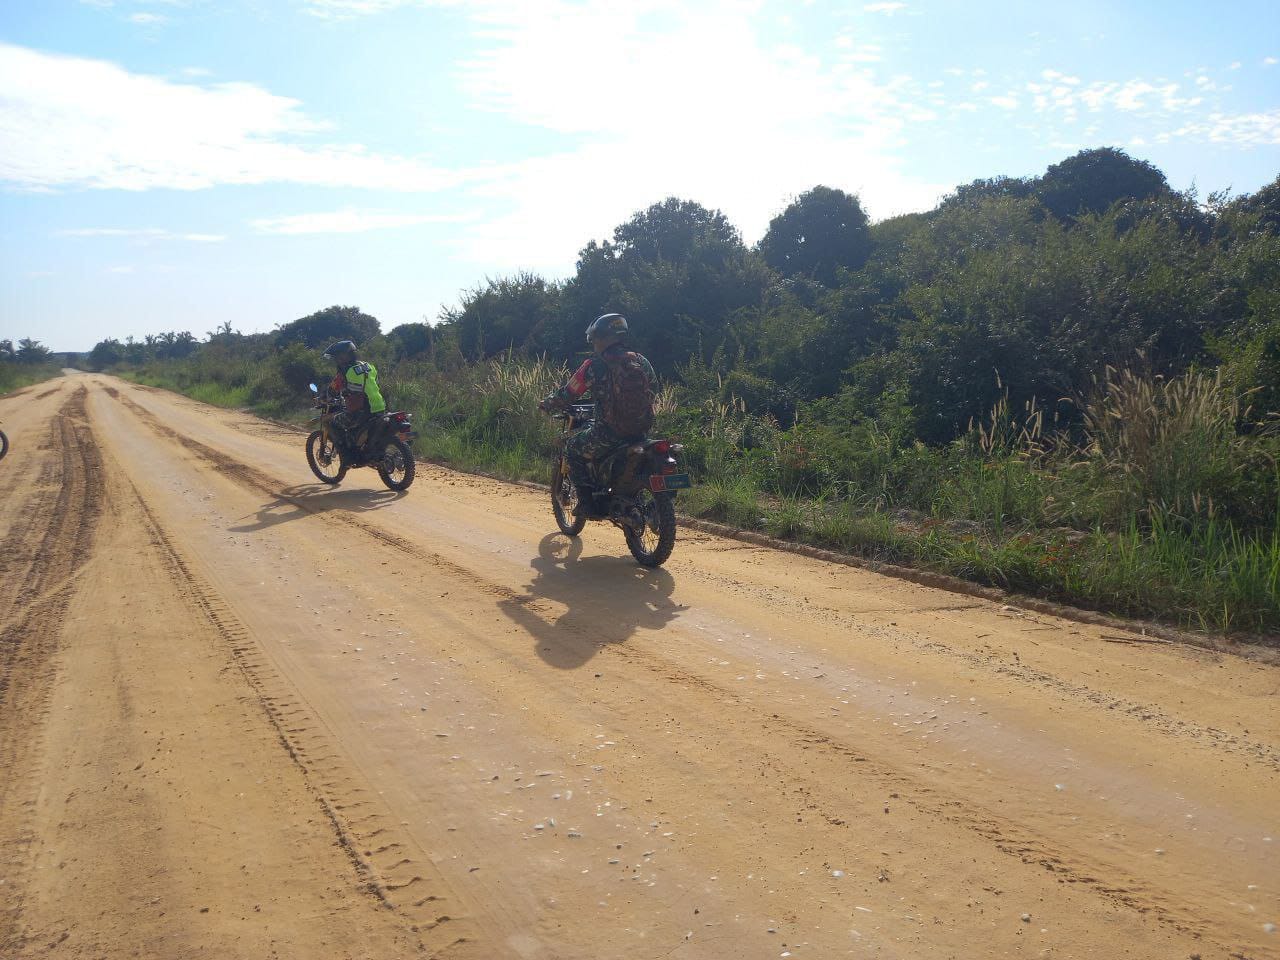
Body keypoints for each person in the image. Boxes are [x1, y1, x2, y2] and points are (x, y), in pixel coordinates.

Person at [540, 314, 657, 518]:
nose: (593, 344)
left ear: (603, 339)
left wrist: (547, 403)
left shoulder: (595, 366)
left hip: (610, 433)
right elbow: (654, 389)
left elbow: (569, 393)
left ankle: (586, 503)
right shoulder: (640, 361)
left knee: (572, 447)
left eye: (594, 340)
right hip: (641, 430)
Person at [322, 340, 385, 455]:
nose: (336, 360)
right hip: (380, 407)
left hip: (360, 412)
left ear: (343, 356)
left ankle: (346, 455)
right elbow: (375, 383)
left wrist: (324, 398)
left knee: (331, 422)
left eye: (337, 357)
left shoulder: (345, 372)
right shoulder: (369, 366)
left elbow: (332, 390)